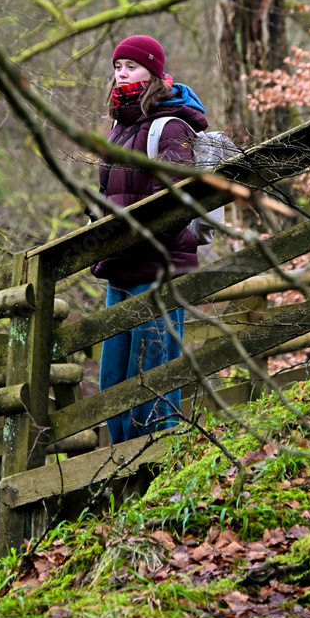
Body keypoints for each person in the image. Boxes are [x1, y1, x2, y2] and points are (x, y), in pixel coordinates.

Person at [91, 34, 210, 444]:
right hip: (119, 268)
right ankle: (121, 462)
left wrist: (130, 239)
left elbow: (178, 203)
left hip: (157, 269)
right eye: (117, 67)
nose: (122, 74)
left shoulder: (170, 126)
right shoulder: (119, 128)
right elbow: (108, 195)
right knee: (113, 379)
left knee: (153, 373)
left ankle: (156, 461)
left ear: (154, 73)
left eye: (132, 67)